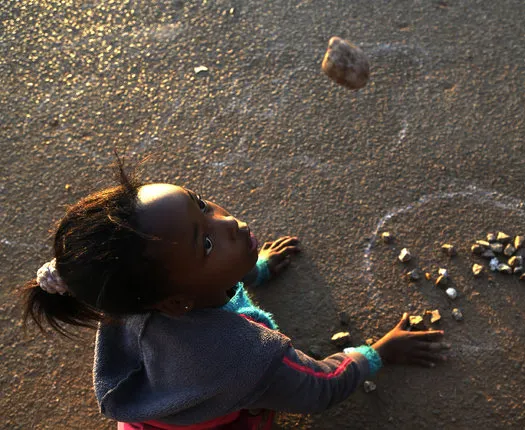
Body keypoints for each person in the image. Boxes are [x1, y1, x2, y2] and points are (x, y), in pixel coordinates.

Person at [22, 160, 450, 429]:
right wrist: (376, 353)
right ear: (175, 302)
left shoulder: (127, 300)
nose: (228, 223)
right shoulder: (244, 356)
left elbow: (201, 288)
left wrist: (253, 267)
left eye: (202, 204)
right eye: (205, 244)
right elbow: (320, 388)